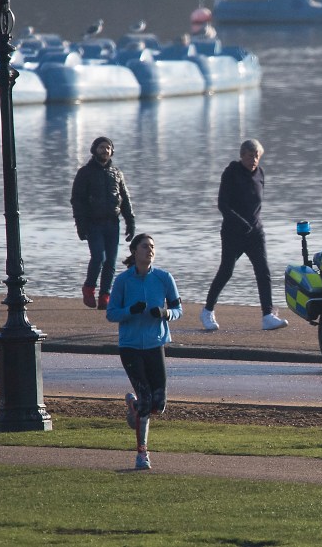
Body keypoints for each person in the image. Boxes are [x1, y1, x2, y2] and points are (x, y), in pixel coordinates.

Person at [106, 233, 183, 470]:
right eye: (144, 246)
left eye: (152, 247)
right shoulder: (123, 281)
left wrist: (165, 314)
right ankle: (142, 454)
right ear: (134, 251)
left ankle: (134, 407)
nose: (149, 250)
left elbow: (179, 308)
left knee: (158, 403)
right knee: (146, 399)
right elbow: (111, 314)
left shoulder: (163, 278)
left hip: (155, 344)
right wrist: (130, 309)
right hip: (129, 346)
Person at [199, 139, 287, 332]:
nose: (253, 159)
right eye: (249, 155)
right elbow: (223, 205)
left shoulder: (261, 173)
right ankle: (207, 311)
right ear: (242, 155)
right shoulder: (231, 172)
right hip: (233, 233)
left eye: (256, 156)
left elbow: (256, 206)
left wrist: (253, 225)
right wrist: (241, 222)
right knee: (226, 271)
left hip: (255, 233)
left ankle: (267, 315)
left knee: (263, 272)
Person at [71, 136, 136, 310]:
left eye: (108, 148)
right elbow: (77, 201)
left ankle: (105, 295)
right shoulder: (85, 172)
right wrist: (81, 225)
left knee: (111, 262)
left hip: (113, 223)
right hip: (93, 223)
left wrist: (130, 222)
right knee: (99, 257)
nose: (105, 150)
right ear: (94, 150)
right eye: (101, 147)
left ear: (112, 151)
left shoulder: (116, 173)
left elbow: (125, 199)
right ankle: (89, 288)